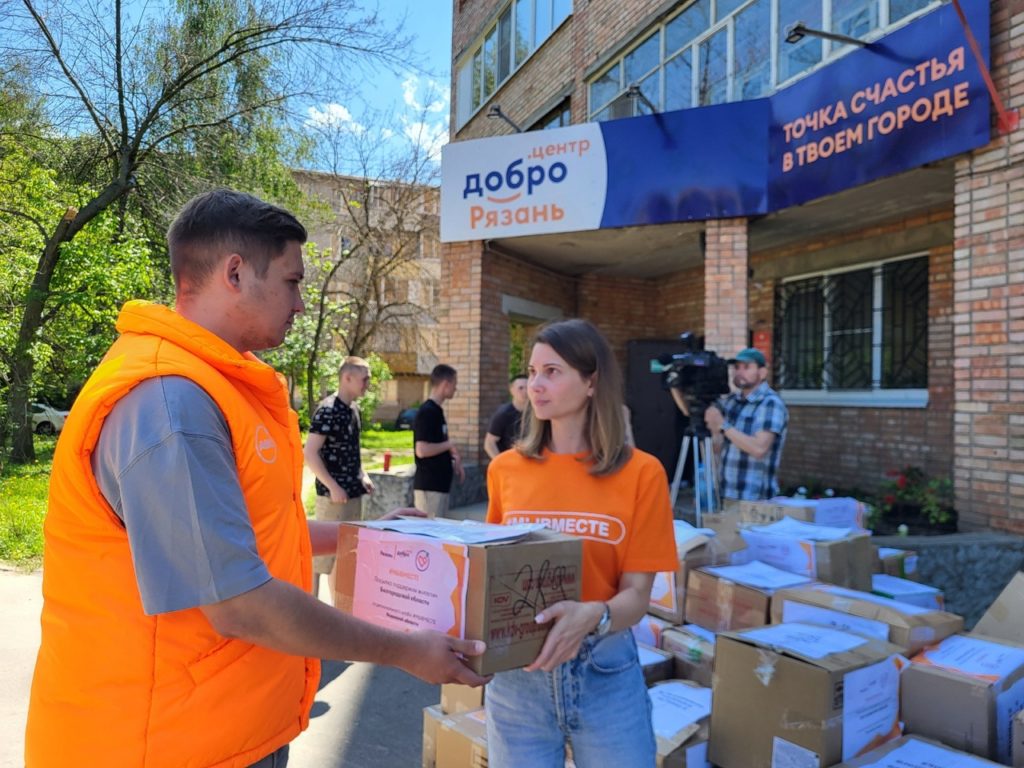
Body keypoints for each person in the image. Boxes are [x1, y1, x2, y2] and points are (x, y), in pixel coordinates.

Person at [25, 189, 487, 768]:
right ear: (236, 273)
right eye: (293, 282)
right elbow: (240, 604)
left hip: (224, 727)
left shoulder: (215, 386)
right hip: (163, 745)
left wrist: (366, 536)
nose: (301, 303)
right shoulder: (171, 405)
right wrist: (405, 651)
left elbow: (251, 537)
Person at [484, 318, 678, 767]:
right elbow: (490, 578)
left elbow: (637, 596)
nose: (535, 385)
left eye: (552, 372)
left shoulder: (642, 474)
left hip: (605, 671)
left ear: (591, 382)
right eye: (532, 372)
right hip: (518, 678)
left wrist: (594, 615)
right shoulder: (505, 470)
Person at [303, 356, 375, 595]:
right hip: (332, 498)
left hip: (353, 494)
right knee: (321, 561)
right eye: (364, 379)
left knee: (347, 557)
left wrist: (362, 475)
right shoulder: (328, 409)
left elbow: (352, 450)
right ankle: (311, 606)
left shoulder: (354, 409)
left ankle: (340, 607)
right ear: (347, 378)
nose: (367, 385)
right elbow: (310, 453)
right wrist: (333, 486)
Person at [703, 347, 789, 500]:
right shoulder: (731, 401)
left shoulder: (770, 403)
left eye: (746, 367)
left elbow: (759, 449)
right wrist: (675, 386)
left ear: (762, 372)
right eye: (737, 367)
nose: (739, 372)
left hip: (754, 498)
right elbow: (696, 414)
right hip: (725, 494)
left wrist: (723, 425)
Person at [412, 363, 464, 517]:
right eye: (454, 384)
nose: (455, 388)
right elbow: (422, 450)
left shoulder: (437, 411)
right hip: (430, 487)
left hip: (439, 486)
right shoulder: (427, 412)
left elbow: (437, 442)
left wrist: (454, 455)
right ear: (445, 384)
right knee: (429, 530)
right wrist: (449, 444)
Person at [483, 373, 528, 458]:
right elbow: (489, 443)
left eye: (528, 388)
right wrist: (500, 462)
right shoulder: (503, 414)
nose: (525, 392)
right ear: (512, 390)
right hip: (509, 461)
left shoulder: (536, 413)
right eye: (520, 388)